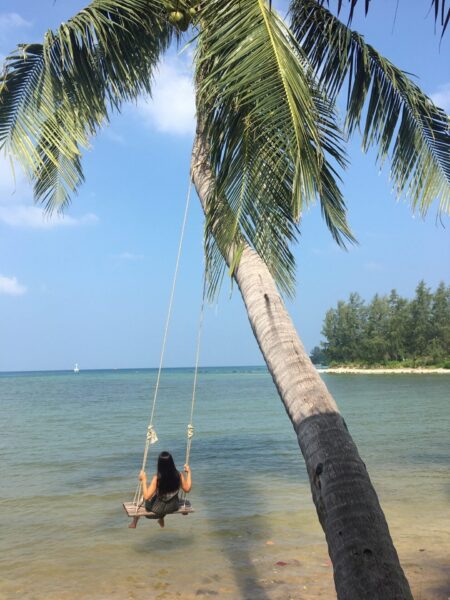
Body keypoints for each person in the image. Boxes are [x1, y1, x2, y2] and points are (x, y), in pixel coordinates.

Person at [129, 451, 192, 529]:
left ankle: (134, 521)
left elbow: (146, 497)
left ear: (159, 464)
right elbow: (187, 489)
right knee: (162, 495)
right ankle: (161, 519)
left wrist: (144, 480)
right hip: (173, 507)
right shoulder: (179, 475)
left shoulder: (157, 478)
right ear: (172, 462)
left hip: (157, 509)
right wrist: (189, 472)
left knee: (144, 497)